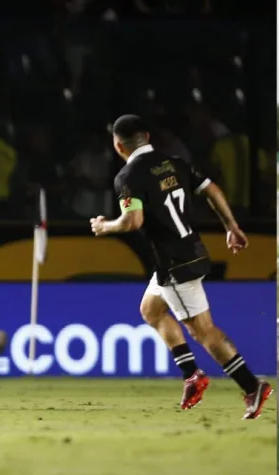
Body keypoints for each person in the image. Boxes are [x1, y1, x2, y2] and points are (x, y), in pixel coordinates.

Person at [90, 115, 272, 419]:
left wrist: (105, 226)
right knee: (151, 310)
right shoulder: (175, 162)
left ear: (118, 145)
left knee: (204, 332)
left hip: (175, 264)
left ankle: (252, 386)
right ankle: (192, 375)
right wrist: (231, 226)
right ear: (147, 136)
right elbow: (211, 188)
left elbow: (133, 221)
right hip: (192, 251)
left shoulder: (129, 176)